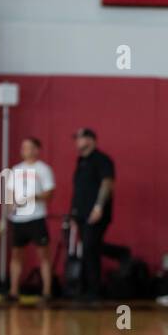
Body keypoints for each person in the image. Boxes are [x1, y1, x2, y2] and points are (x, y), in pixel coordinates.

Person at [6, 137, 55, 304]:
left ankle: (47, 292)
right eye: (23, 147)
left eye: (28, 147)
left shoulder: (43, 170)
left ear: (36, 150)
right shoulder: (15, 170)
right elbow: (10, 193)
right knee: (16, 256)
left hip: (36, 218)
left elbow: (49, 194)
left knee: (43, 256)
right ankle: (13, 292)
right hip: (18, 220)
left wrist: (34, 196)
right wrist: (10, 204)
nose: (25, 150)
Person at [70, 128, 115, 300]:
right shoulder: (81, 162)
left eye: (80, 138)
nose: (77, 142)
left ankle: (94, 290)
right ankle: (87, 288)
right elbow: (79, 191)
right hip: (81, 214)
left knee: (90, 248)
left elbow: (107, 183)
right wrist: (73, 213)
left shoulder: (102, 160)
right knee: (88, 249)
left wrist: (98, 207)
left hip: (96, 213)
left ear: (90, 140)